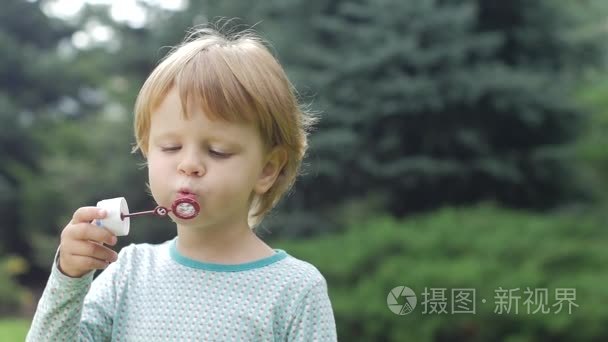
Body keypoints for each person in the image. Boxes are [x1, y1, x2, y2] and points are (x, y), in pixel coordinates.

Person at [27, 26, 337, 341]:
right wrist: (68, 277)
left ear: (266, 170)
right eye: (171, 147)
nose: (188, 164)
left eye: (218, 151)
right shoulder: (130, 274)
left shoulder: (294, 291)